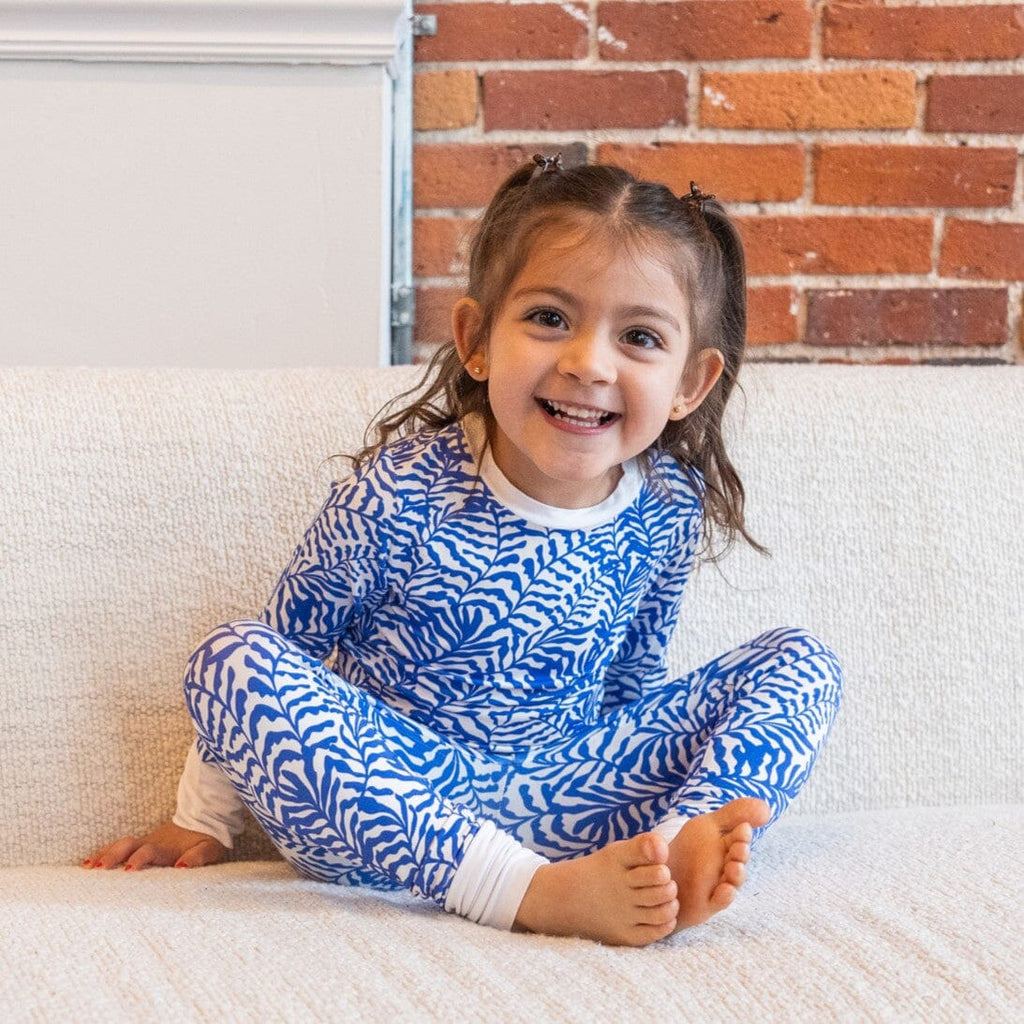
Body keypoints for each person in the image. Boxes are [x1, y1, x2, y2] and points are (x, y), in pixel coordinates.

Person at [84, 157, 843, 947]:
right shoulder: (398, 494)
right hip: (393, 815)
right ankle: (529, 893)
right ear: (477, 341)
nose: (589, 361)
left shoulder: (667, 507)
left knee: (805, 663)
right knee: (231, 653)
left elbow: (631, 681)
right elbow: (287, 654)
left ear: (690, 383)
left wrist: (649, 806)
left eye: (640, 336)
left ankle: (668, 856)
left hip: (567, 798)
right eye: (550, 318)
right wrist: (199, 820)